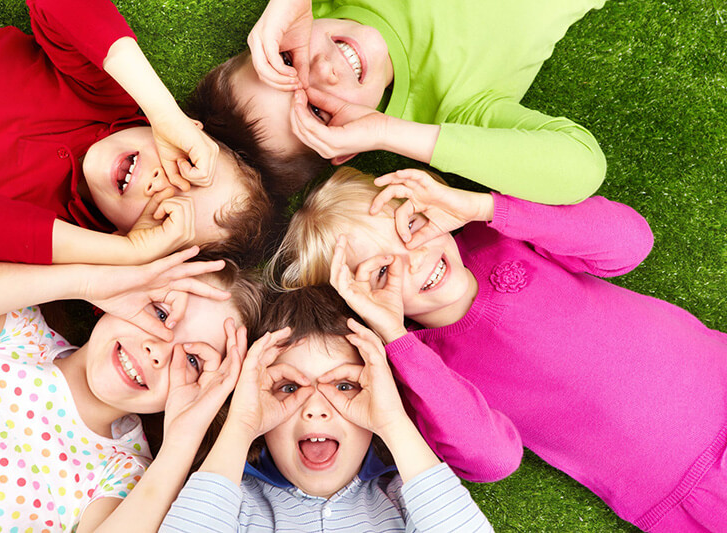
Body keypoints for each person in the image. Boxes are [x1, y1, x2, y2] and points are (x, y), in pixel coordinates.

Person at [268, 167, 727, 532]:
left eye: (411, 224)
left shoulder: (499, 235)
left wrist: (483, 207)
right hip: (688, 488)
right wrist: (394, 336)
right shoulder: (425, 368)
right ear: (363, 304)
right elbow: (492, 460)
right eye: (383, 274)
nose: (416, 256)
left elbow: (630, 243)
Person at [0, 247, 263, 531]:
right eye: (160, 313)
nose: (157, 350)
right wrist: (87, 281)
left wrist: (182, 441)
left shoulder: (124, 472)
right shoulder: (19, 334)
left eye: (192, 360)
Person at [0, 0, 273, 267]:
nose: (159, 184)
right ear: (192, 133)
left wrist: (125, 252)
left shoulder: (56, 237)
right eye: (186, 166)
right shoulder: (106, 99)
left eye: (166, 214)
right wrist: (163, 110)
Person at [190, 0, 607, 200]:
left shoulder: (320, 7)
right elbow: (580, 169)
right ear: (345, 142)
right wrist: (394, 135)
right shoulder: (456, 109)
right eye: (318, 110)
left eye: (286, 60)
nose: (323, 69)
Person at [161, 285, 492, 532]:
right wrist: (241, 425)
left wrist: (393, 422)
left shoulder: (405, 501)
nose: (315, 409)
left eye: (344, 386)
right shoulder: (233, 503)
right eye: (289, 388)